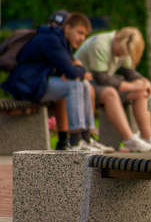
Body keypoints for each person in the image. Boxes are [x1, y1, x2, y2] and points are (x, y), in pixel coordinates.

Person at [1, 13, 106, 151]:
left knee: (84, 85)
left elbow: (69, 70)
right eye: (79, 32)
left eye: (85, 35)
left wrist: (73, 70)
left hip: (39, 82)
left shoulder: (63, 41)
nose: (82, 38)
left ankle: (86, 137)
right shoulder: (50, 39)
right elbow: (73, 71)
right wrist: (79, 68)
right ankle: (75, 140)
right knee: (74, 85)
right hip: (27, 86)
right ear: (67, 28)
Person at [75, 27, 151, 152]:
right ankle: (129, 140)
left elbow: (129, 72)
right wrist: (132, 85)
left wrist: (144, 82)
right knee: (111, 93)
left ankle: (147, 136)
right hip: (84, 84)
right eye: (121, 52)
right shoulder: (101, 44)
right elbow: (101, 78)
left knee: (141, 92)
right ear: (118, 40)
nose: (121, 56)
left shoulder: (124, 46)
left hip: (99, 83)